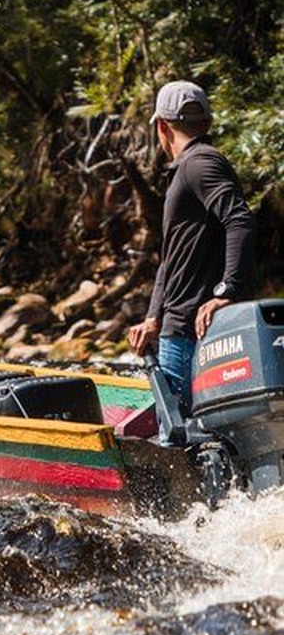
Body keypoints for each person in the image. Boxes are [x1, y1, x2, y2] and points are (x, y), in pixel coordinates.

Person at [128, 80, 256, 413]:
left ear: (161, 127)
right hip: (179, 323)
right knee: (189, 433)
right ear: (208, 123)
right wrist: (154, 317)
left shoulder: (200, 163)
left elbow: (239, 220)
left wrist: (226, 292)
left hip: (190, 328)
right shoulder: (188, 168)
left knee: (178, 436)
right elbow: (171, 258)